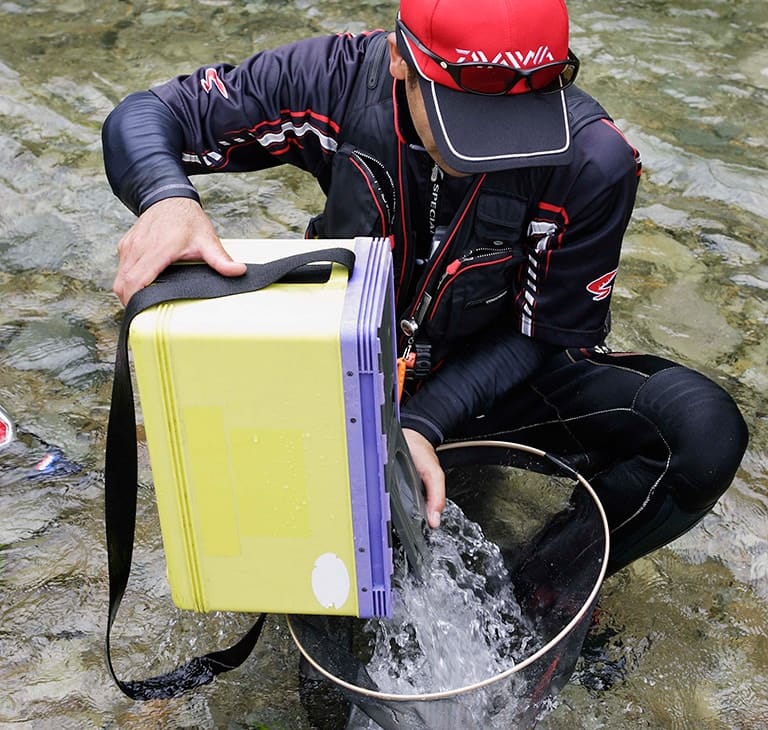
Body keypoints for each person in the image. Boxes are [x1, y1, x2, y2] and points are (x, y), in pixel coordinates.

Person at [102, 0, 748, 576]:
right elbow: (150, 112)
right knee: (335, 586)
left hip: (489, 378)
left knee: (701, 432)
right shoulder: (332, 78)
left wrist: (419, 424)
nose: (487, 151)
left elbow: (546, 334)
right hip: (343, 364)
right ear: (399, 61)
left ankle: (542, 591)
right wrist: (167, 200)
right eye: (465, 117)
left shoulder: (594, 159)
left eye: (514, 117)